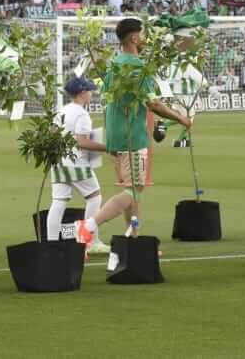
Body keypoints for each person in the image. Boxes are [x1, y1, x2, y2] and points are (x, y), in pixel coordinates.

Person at [74, 18, 193, 247]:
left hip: (116, 135)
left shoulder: (114, 65)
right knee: (133, 192)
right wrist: (180, 118)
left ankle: (134, 242)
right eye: (144, 34)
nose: (146, 38)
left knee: (132, 190)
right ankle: (88, 225)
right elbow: (154, 105)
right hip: (133, 137)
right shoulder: (138, 68)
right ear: (134, 38)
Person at [48, 75, 111, 254]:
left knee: (58, 201)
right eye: (89, 90)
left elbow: (52, 133)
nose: (91, 93)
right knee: (94, 196)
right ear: (82, 93)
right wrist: (107, 148)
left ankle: (51, 244)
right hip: (75, 162)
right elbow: (82, 142)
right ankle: (90, 241)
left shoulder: (62, 110)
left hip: (58, 160)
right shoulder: (82, 114)